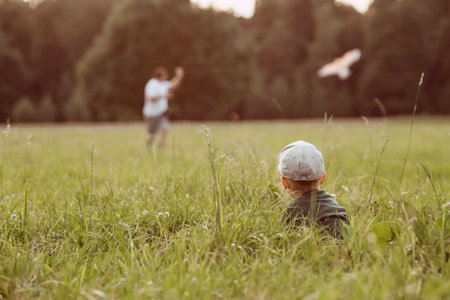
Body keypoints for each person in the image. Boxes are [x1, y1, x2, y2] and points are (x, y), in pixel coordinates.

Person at [277, 140, 349, 238]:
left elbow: (285, 242)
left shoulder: (292, 211)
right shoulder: (334, 205)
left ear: (284, 182)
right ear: (323, 178)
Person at [143, 66, 185, 148]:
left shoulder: (163, 84)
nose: (166, 77)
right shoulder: (151, 84)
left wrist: (179, 76)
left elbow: (173, 85)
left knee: (164, 128)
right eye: (165, 75)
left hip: (162, 112)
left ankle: (161, 146)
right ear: (160, 76)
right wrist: (164, 96)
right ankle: (148, 146)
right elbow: (150, 98)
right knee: (152, 133)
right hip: (151, 114)